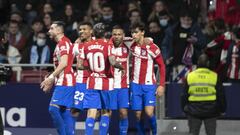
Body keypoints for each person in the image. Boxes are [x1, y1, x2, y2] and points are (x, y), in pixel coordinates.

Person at [78, 23, 124, 135]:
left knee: (91, 112)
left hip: (92, 82)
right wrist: (121, 67)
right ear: (105, 33)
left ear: (93, 33)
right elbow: (113, 62)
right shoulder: (108, 46)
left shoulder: (86, 46)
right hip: (106, 82)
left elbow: (79, 66)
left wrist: (90, 68)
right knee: (106, 111)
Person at [129, 22, 166, 135]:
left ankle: (154, 133)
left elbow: (162, 66)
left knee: (149, 112)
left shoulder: (152, 47)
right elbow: (116, 37)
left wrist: (161, 85)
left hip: (149, 84)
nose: (133, 35)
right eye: (132, 32)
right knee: (138, 114)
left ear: (142, 32)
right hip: (135, 84)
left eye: (136, 32)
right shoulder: (131, 45)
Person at [40, 21, 76, 135]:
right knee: (64, 111)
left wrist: (51, 77)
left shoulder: (63, 43)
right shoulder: (63, 43)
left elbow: (64, 63)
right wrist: (53, 78)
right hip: (65, 80)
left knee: (53, 109)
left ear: (59, 30)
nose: (48, 31)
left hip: (66, 80)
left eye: (51, 29)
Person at [181, 53, 226, 135]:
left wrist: (183, 108)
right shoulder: (214, 76)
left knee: (193, 133)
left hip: (193, 110)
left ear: (198, 63)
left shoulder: (190, 76)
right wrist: (223, 109)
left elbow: (184, 95)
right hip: (211, 111)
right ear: (208, 63)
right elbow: (221, 95)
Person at [110, 25, 130, 135]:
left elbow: (147, 40)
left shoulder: (128, 45)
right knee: (107, 112)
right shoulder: (108, 46)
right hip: (110, 85)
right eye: (114, 34)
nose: (117, 36)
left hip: (123, 86)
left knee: (123, 112)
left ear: (123, 36)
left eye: (119, 34)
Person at [72, 22, 93, 116]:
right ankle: (70, 131)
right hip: (81, 81)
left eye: (84, 29)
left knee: (95, 109)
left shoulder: (98, 43)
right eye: (80, 30)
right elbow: (68, 61)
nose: (81, 31)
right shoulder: (76, 46)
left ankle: (96, 130)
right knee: (75, 110)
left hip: (95, 80)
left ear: (91, 31)